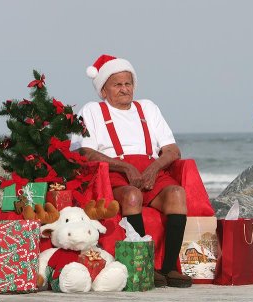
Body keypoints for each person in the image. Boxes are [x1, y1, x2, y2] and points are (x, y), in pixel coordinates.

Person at [70, 54, 192, 288]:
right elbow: (85, 152)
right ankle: (145, 265)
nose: (125, 89)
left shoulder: (148, 108)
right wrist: (126, 167)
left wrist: (154, 168)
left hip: (151, 170)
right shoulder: (92, 111)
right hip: (113, 173)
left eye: (128, 83)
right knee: (132, 196)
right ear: (104, 90)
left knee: (177, 193)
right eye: (117, 84)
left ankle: (169, 268)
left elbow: (172, 150)